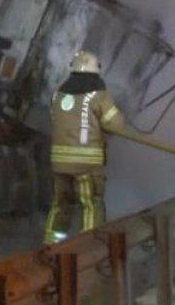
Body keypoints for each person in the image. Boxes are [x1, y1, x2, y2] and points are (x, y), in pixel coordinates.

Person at [43, 50, 126, 243]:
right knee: (91, 205)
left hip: (59, 162)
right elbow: (116, 125)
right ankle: (89, 245)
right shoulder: (99, 96)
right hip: (86, 164)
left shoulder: (57, 95)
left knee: (60, 204)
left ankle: (51, 244)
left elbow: (55, 121)